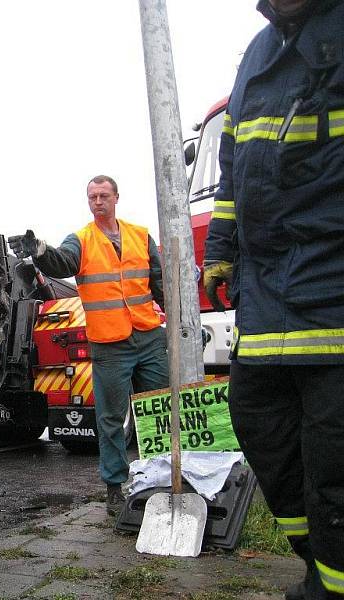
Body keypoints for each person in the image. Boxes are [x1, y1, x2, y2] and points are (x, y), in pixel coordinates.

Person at [203, 1, 344, 598]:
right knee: (262, 429)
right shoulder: (259, 54)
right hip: (264, 293)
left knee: (333, 463)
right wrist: (222, 249)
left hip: (332, 287)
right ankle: (318, 564)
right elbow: (233, 169)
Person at [9, 175, 168, 517]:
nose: (98, 201)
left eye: (103, 195)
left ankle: (162, 479)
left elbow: (159, 282)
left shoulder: (141, 236)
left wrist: (181, 321)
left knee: (158, 409)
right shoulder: (80, 240)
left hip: (148, 335)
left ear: (116, 198)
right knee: (110, 418)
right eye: (92, 196)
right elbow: (62, 262)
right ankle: (114, 486)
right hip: (110, 343)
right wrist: (40, 252)